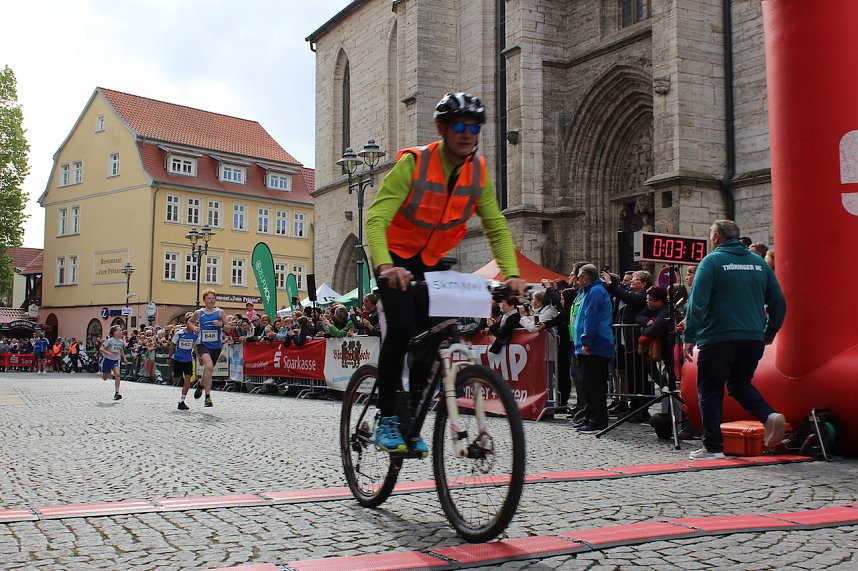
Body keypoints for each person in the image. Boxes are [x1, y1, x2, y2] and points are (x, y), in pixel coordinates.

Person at [365, 91, 526, 454]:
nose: (468, 133)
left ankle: (412, 420)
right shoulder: (415, 164)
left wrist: (511, 274)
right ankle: (387, 416)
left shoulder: (477, 172)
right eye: (460, 126)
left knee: (434, 337)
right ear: (442, 128)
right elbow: (376, 218)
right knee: (403, 327)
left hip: (433, 260)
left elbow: (496, 227)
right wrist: (386, 266)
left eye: (475, 127)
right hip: (394, 258)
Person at [683, 220, 787, 460]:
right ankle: (769, 416)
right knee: (740, 384)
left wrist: (689, 335)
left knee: (709, 390)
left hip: (718, 336)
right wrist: (771, 330)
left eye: (711, 234)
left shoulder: (711, 262)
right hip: (752, 337)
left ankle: (713, 447)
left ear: (717, 236)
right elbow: (778, 301)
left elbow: (697, 303)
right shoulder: (759, 263)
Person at [572, 264, 615, 434]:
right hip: (591, 345)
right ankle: (589, 417)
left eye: (579, 277)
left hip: (596, 346)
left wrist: (586, 341)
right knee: (586, 385)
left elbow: (591, 318)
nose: (577, 281)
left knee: (594, 385)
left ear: (585, 278)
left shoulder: (596, 292)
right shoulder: (589, 292)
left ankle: (598, 421)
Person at [187, 289, 231, 407]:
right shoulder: (199, 313)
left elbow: (228, 328)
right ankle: (207, 397)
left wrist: (221, 325)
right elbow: (190, 322)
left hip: (216, 346)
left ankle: (201, 384)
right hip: (203, 344)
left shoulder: (220, 312)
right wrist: (194, 328)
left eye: (213, 298)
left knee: (208, 370)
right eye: (208, 298)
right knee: (209, 366)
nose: (211, 301)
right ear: (204, 300)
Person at [171, 312, 198, 410]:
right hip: (178, 358)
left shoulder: (195, 335)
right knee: (176, 380)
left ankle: (182, 401)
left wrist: (199, 357)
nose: (193, 325)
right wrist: (169, 357)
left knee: (187, 379)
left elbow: (195, 347)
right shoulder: (179, 333)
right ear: (187, 322)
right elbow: (172, 345)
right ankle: (175, 375)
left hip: (188, 359)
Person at [100, 325, 128, 400]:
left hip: (115, 360)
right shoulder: (110, 340)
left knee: (118, 374)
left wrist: (124, 358)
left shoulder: (121, 342)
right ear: (114, 332)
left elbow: (121, 350)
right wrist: (108, 353)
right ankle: (105, 373)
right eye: (119, 330)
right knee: (105, 378)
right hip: (107, 360)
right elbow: (101, 349)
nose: (121, 331)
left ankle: (117, 392)